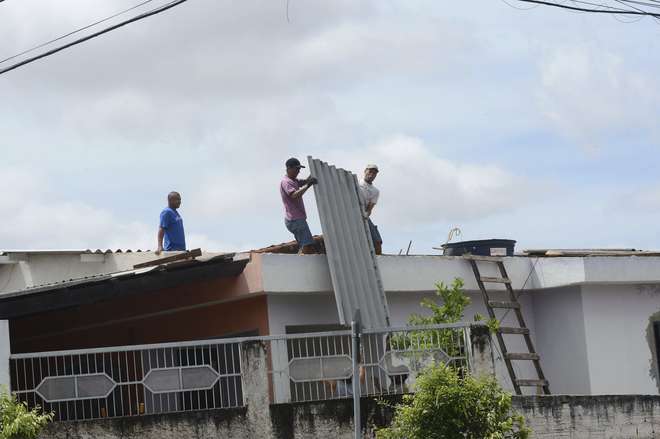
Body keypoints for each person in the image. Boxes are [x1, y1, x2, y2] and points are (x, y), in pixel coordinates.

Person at [280, 158, 318, 254]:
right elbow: (294, 195)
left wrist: (315, 171)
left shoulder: (294, 180)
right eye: (296, 169)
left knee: (306, 245)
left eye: (299, 169)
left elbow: (305, 181)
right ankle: (300, 261)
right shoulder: (286, 182)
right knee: (307, 245)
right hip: (295, 220)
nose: (298, 171)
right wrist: (308, 185)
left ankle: (300, 258)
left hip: (296, 219)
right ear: (289, 168)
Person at [359, 164, 382, 255]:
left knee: (376, 240)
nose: (372, 174)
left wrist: (365, 215)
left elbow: (370, 208)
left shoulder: (375, 191)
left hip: (363, 215)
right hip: (350, 212)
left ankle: (377, 258)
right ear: (365, 171)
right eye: (370, 171)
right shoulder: (356, 183)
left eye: (374, 173)